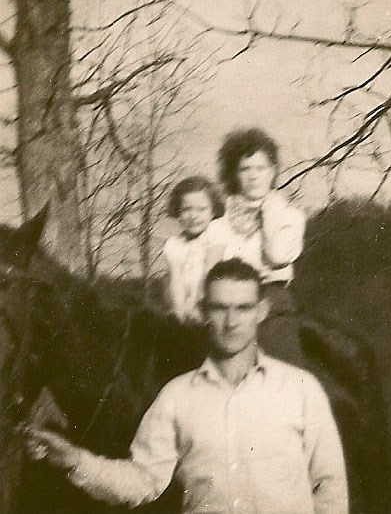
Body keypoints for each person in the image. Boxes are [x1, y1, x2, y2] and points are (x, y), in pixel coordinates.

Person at [26, 259, 348, 514]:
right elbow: (142, 481)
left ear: (261, 312)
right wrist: (75, 460)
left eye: (243, 308)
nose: (231, 322)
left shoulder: (301, 389)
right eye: (219, 308)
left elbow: (330, 486)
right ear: (203, 311)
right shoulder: (176, 396)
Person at [206, 127, 306, 316]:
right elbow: (211, 273)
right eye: (245, 169)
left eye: (261, 168)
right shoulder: (218, 226)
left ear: (272, 171)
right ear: (234, 174)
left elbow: (277, 256)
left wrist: (269, 211)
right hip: (228, 302)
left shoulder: (291, 216)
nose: (253, 176)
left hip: (273, 301)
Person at [163, 175, 224, 321]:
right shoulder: (174, 244)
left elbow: (210, 272)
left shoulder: (216, 235)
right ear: (177, 212)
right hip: (185, 304)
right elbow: (176, 280)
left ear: (213, 212)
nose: (193, 216)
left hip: (211, 301)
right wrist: (179, 310)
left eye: (201, 209)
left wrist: (196, 305)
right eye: (186, 209)